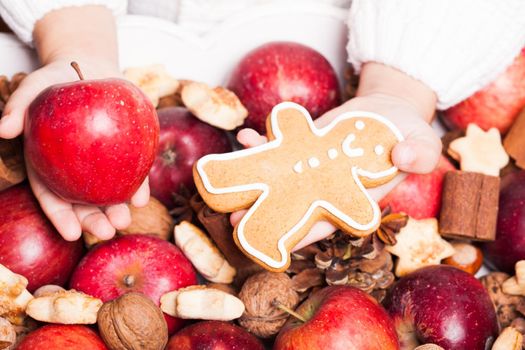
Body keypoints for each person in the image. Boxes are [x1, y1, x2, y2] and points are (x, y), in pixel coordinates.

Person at [0, 0, 523, 249]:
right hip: (120, 33)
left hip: (350, 39)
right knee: (241, 178)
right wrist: (74, 36)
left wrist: (399, 85)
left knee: (269, 198)